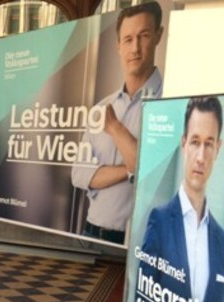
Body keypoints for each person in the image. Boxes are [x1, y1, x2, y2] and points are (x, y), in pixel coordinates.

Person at [139, 97, 224, 302]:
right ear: (183, 144)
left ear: (218, 148)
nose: (201, 156)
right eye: (195, 142)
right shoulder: (159, 219)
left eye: (208, 143)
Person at [71, 1, 165, 244]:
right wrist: (130, 169)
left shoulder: (169, 101)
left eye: (143, 36)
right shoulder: (102, 107)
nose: (135, 48)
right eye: (128, 39)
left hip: (136, 241)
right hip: (89, 233)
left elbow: (152, 174)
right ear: (118, 47)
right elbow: (79, 174)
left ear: (158, 36)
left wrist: (114, 128)